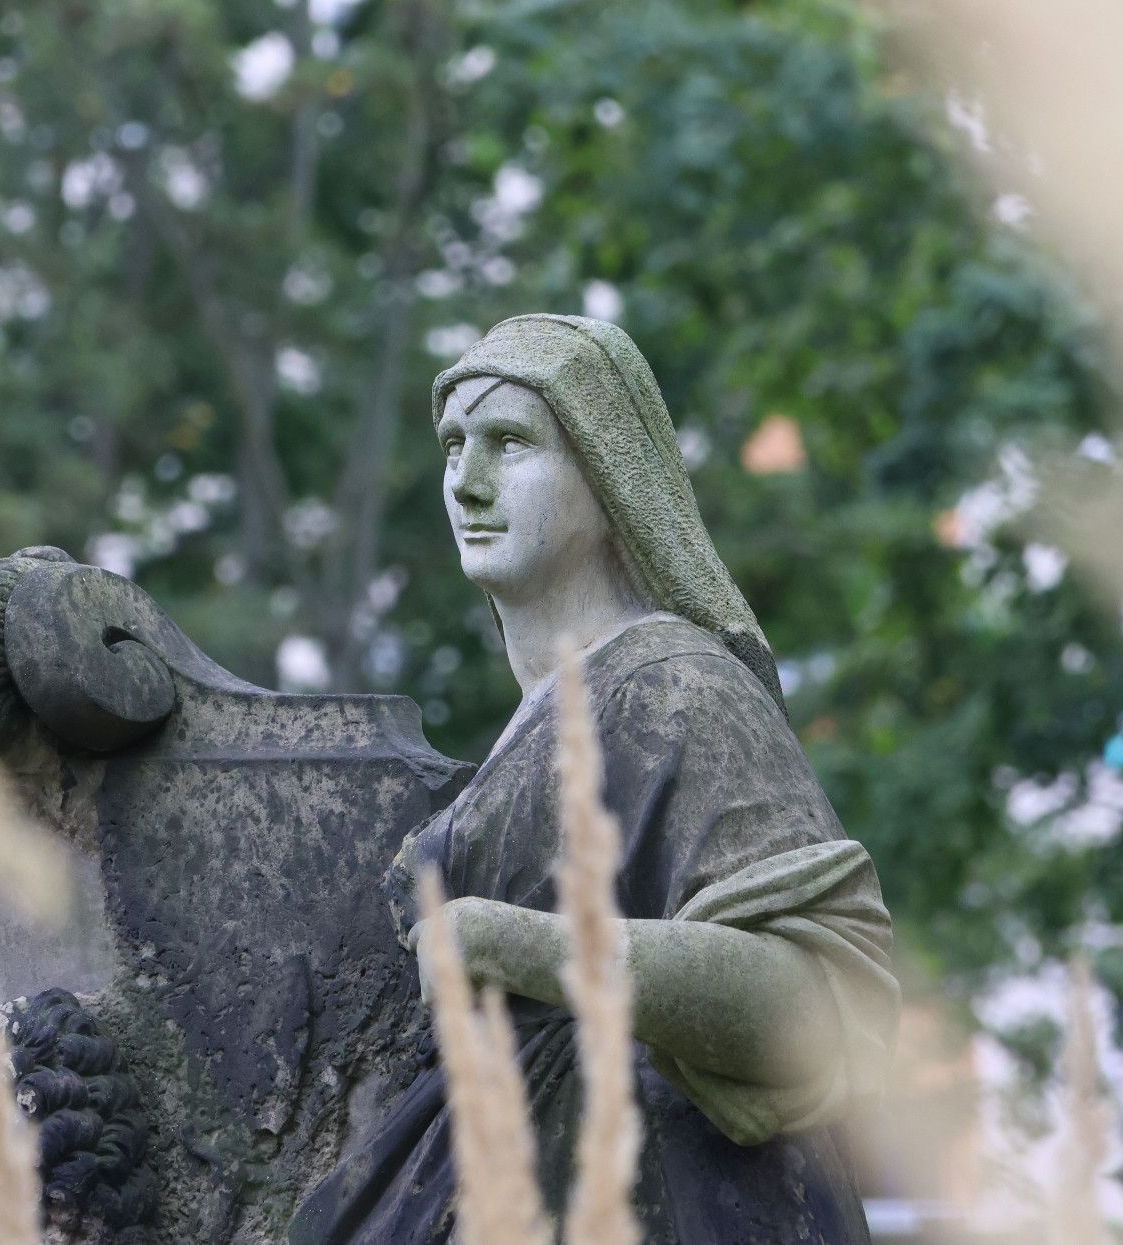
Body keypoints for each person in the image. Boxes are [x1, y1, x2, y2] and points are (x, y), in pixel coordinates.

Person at [289, 315, 898, 1243]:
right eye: (453, 443)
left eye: (510, 442)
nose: (465, 479)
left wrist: (530, 948)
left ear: (607, 473)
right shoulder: (545, 718)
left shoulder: (676, 688)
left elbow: (819, 1002)